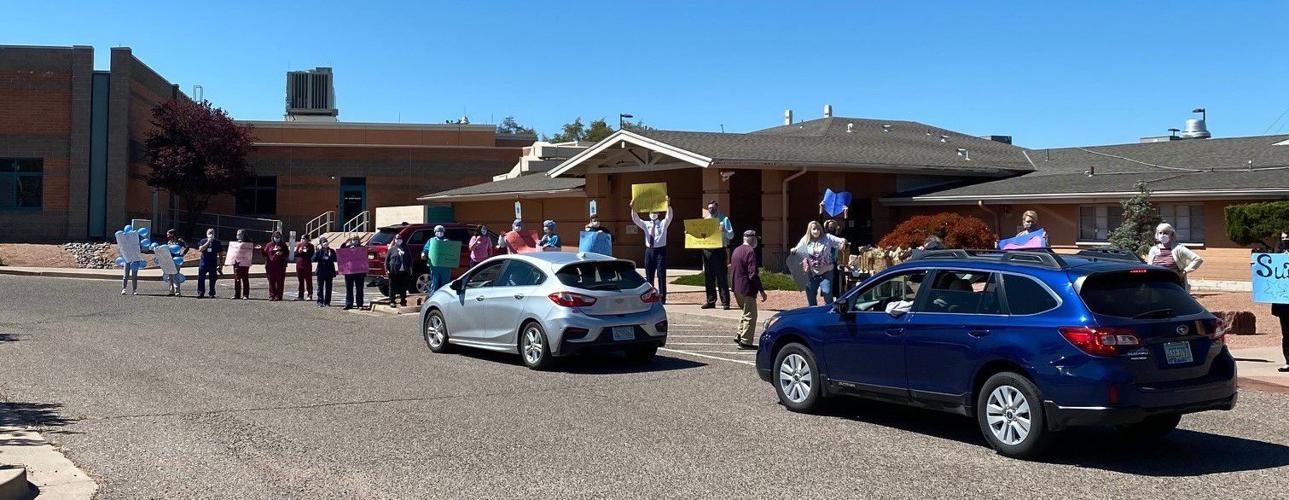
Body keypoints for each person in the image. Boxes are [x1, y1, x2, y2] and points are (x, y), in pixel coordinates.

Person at [631, 196, 672, 304]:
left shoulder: (663, 223)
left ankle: (662, 297)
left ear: (658, 213)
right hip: (649, 251)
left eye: (655, 212)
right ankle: (650, 296)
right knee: (649, 274)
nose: (652, 214)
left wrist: (668, 204)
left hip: (660, 251)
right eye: (651, 212)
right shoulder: (646, 224)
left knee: (661, 274)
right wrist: (633, 208)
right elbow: (636, 219)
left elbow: (669, 216)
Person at [731, 230, 768, 349]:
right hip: (747, 287)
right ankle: (746, 341)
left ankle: (739, 334)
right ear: (751, 239)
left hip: (736, 287)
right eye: (756, 238)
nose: (756, 241)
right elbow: (752, 274)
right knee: (751, 315)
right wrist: (761, 290)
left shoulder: (736, 250)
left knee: (745, 312)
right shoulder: (750, 251)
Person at [795, 220, 845, 307]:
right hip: (811, 272)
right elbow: (798, 248)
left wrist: (843, 242)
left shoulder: (827, 237)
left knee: (827, 292)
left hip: (827, 271)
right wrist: (794, 250)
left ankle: (830, 313)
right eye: (814, 229)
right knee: (811, 295)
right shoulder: (805, 239)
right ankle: (813, 314)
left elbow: (841, 240)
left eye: (818, 228)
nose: (816, 230)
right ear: (809, 230)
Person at [1146, 222, 1203, 290]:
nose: (1162, 235)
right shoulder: (1153, 249)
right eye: (1160, 233)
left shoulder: (1179, 248)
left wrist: (1184, 271)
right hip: (1157, 286)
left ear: (1172, 235)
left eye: (1166, 233)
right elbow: (1149, 267)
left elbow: (1198, 259)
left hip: (1174, 286)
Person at [701, 200, 734, 310]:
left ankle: (725, 302)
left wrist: (724, 230)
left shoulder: (724, 219)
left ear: (717, 208)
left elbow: (731, 235)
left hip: (719, 251)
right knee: (709, 278)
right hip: (707, 251)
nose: (711, 210)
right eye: (709, 208)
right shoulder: (705, 220)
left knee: (721, 277)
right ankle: (711, 301)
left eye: (713, 208)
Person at [1273, 230, 1288, 372]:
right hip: (1283, 303)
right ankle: (1288, 361)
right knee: (1287, 333)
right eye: (1283, 238)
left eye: (1288, 238)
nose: (1285, 241)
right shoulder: (1276, 254)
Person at [423, 225, 454, 295]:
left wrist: (448, 244)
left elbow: (452, 251)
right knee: (435, 283)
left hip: (445, 267)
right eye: (438, 231)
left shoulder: (447, 240)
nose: (440, 232)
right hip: (435, 267)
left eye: (441, 231)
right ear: (435, 232)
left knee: (445, 284)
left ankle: (445, 297)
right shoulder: (431, 241)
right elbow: (425, 250)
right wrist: (423, 254)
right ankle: (433, 297)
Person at [385, 233, 412, 307]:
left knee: (403, 287)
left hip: (403, 271)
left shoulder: (406, 249)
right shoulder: (391, 249)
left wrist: (410, 268)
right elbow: (386, 261)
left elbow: (409, 259)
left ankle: (403, 301)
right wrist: (387, 270)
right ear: (395, 240)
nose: (399, 240)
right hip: (393, 272)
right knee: (392, 287)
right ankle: (392, 301)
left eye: (400, 239)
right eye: (397, 239)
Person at [263, 230, 290, 301]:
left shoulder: (283, 245)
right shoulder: (269, 245)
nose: (277, 238)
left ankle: (279, 296)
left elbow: (287, 254)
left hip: (280, 266)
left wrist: (281, 253)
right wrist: (261, 249)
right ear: (273, 237)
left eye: (278, 237)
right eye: (276, 237)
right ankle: (272, 295)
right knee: (271, 281)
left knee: (280, 281)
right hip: (270, 266)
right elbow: (265, 254)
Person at [195, 228, 223, 299]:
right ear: (206, 234)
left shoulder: (217, 243)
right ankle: (201, 292)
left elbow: (220, 254)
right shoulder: (203, 241)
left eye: (212, 233)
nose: (211, 234)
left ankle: (212, 293)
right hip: (204, 263)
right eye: (209, 233)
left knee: (213, 278)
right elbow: (200, 249)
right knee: (201, 278)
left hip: (213, 263)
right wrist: (208, 242)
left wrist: (221, 264)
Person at [342, 235, 366, 310]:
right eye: (353, 240)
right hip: (349, 272)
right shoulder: (347, 248)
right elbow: (341, 252)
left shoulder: (362, 248)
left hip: (359, 272)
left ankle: (360, 304)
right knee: (349, 289)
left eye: (356, 240)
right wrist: (346, 244)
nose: (354, 241)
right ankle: (349, 304)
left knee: (359, 289)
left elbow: (364, 258)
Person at [163, 229, 188, 296]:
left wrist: (183, 254)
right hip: (170, 260)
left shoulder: (179, 240)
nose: (167, 236)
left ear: (172, 234)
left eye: (168, 234)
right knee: (170, 275)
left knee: (176, 274)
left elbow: (187, 246)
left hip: (177, 260)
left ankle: (177, 291)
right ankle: (171, 291)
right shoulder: (169, 242)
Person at [313, 237, 337, 307]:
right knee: (320, 287)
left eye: (326, 241)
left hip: (329, 271)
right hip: (321, 271)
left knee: (329, 287)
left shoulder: (331, 251)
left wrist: (331, 255)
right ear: (321, 244)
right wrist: (317, 253)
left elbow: (336, 259)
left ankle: (327, 302)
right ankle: (320, 301)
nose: (325, 243)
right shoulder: (319, 251)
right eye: (323, 242)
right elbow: (314, 259)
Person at [231, 229, 252, 300]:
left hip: (245, 263)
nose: (238, 236)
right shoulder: (235, 243)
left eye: (239, 234)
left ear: (243, 235)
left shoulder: (248, 243)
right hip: (237, 263)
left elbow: (249, 252)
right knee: (237, 278)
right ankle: (237, 294)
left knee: (245, 278)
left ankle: (245, 294)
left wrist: (242, 243)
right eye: (237, 234)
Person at [294, 236, 316, 301]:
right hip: (299, 266)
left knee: (308, 280)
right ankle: (300, 296)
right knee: (300, 281)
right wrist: (299, 252)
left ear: (307, 240)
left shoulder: (310, 246)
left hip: (307, 266)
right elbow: (295, 254)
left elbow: (310, 255)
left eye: (304, 239)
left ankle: (310, 294)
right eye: (301, 239)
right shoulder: (299, 245)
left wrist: (303, 252)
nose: (302, 240)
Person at [120, 231, 141, 296]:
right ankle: (124, 289)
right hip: (127, 260)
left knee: (134, 276)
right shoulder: (126, 244)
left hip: (135, 260)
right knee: (126, 275)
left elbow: (139, 251)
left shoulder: (136, 244)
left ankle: (134, 290)